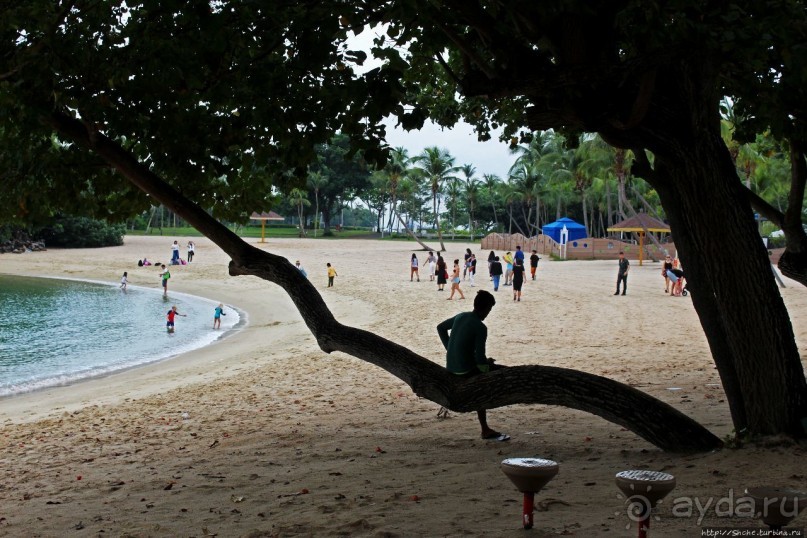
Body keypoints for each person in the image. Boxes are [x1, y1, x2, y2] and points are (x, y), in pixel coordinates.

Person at [437, 290, 508, 441]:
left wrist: (449, 348)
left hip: (450, 366)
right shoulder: (481, 327)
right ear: (486, 308)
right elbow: (481, 359)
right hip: (464, 370)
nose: (488, 313)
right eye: (489, 310)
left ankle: (485, 428)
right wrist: (488, 365)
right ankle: (485, 428)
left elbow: (440, 328)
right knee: (488, 377)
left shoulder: (461, 316)